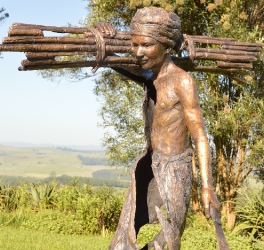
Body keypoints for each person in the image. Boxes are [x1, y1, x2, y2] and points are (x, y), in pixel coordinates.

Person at [96, 7, 220, 250]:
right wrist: (102, 35)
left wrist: (207, 186)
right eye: (135, 45)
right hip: (149, 165)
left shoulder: (182, 81)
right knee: (122, 243)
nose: (138, 52)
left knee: (166, 243)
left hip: (175, 171)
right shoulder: (149, 75)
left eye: (146, 45)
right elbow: (112, 60)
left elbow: (200, 137)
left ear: (165, 45)